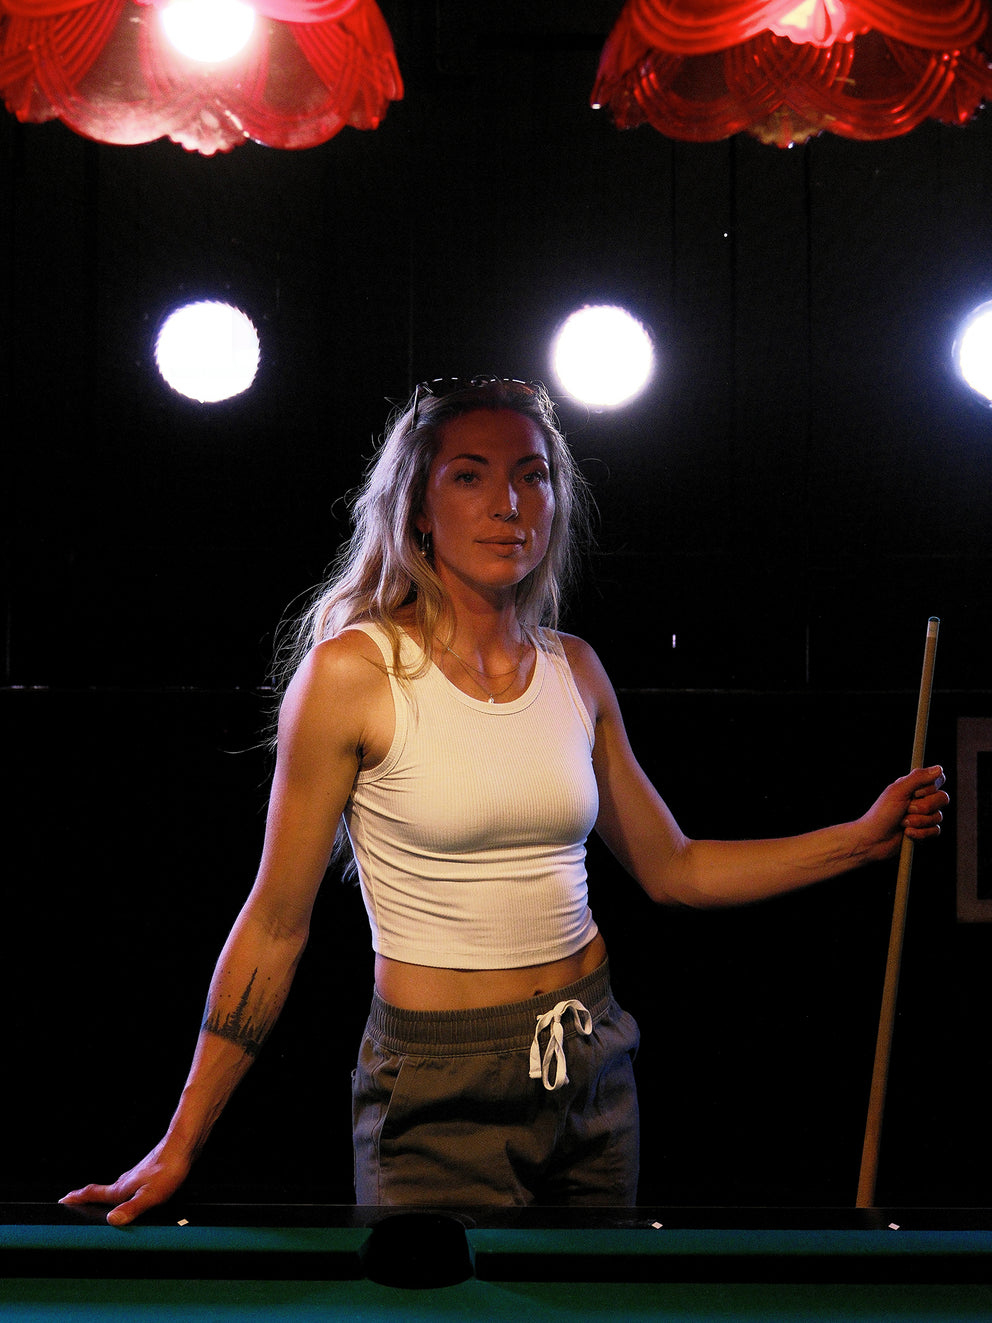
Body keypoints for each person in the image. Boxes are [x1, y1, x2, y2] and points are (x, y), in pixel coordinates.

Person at [60, 376, 948, 1223]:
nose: (509, 503)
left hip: (593, 1059)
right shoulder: (354, 674)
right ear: (418, 507)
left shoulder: (576, 669)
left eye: (533, 476)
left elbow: (675, 869)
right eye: (470, 476)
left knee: (594, 1309)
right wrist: (181, 1140)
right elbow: (275, 924)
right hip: (440, 1086)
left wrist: (862, 838)